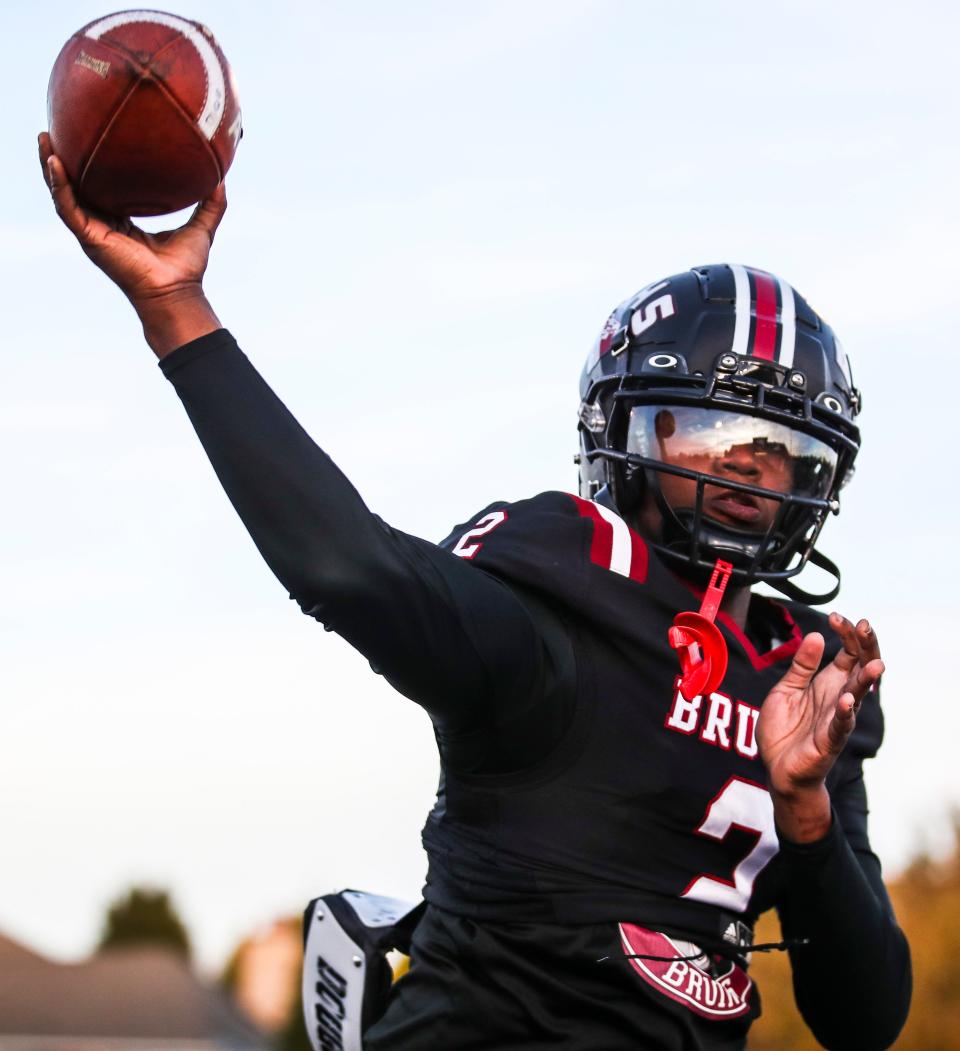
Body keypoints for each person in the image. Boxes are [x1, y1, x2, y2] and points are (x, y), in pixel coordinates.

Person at [39, 132, 911, 1050]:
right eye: (709, 433)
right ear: (621, 433)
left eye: (782, 450)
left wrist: (806, 812)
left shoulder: (805, 676)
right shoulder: (568, 599)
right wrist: (178, 308)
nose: (749, 472)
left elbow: (866, 1018)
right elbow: (352, 568)